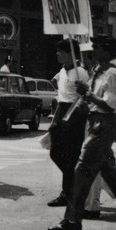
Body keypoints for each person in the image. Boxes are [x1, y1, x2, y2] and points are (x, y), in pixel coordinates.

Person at [48, 35, 116, 230]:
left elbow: (109, 105)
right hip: (95, 122)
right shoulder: (99, 71)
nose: (93, 51)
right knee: (109, 172)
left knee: (81, 171)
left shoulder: (112, 73)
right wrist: (86, 99)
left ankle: (72, 219)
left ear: (108, 51)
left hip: (103, 125)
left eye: (97, 48)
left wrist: (88, 95)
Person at [46, 38, 90, 208]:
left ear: (70, 54)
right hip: (61, 112)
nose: (57, 54)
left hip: (75, 115)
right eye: (57, 51)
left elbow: (84, 98)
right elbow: (61, 96)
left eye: (61, 51)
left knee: (70, 156)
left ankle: (67, 193)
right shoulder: (63, 71)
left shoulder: (81, 73)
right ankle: (73, 185)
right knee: (55, 153)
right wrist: (55, 120)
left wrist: (73, 117)